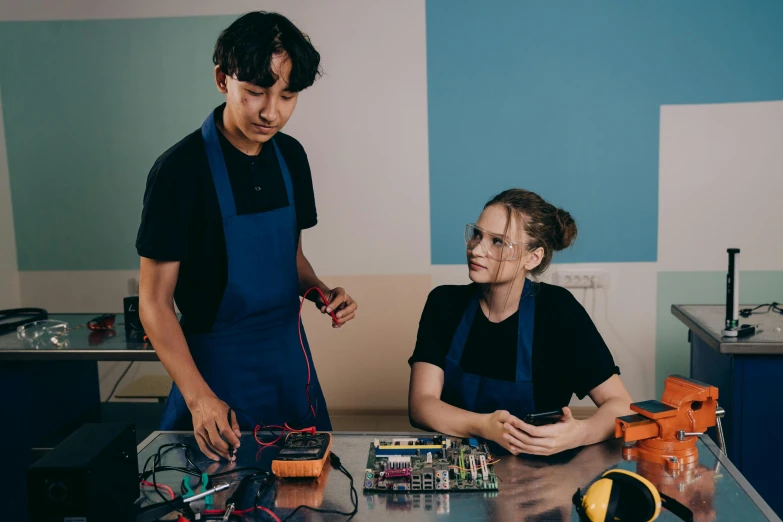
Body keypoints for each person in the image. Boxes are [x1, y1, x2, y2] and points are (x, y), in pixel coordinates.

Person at [135, 12, 357, 461]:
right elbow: (154, 304)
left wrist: (320, 291)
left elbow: (291, 260)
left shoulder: (291, 157)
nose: (271, 111)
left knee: (310, 500)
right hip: (215, 374)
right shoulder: (180, 171)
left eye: (287, 95)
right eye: (255, 92)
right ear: (223, 79)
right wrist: (199, 399)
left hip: (289, 367)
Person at [407, 188, 631, 456]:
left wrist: (578, 433)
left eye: (498, 242)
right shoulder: (444, 304)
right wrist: (483, 425)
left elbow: (621, 405)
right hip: (458, 468)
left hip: (541, 477)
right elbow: (421, 405)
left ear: (532, 257)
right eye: (477, 234)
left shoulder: (559, 312)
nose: (477, 249)